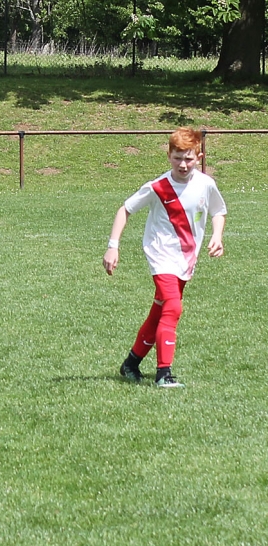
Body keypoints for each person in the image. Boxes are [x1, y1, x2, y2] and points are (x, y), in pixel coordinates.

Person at [103, 127, 227, 388]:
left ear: (199, 157)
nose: (183, 164)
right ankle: (163, 374)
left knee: (159, 312)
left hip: (186, 259)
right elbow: (125, 209)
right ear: (168, 156)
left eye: (188, 158)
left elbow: (218, 211)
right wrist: (113, 246)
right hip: (161, 256)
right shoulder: (157, 187)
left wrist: (217, 236)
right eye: (177, 158)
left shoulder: (205, 184)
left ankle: (131, 363)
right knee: (173, 307)